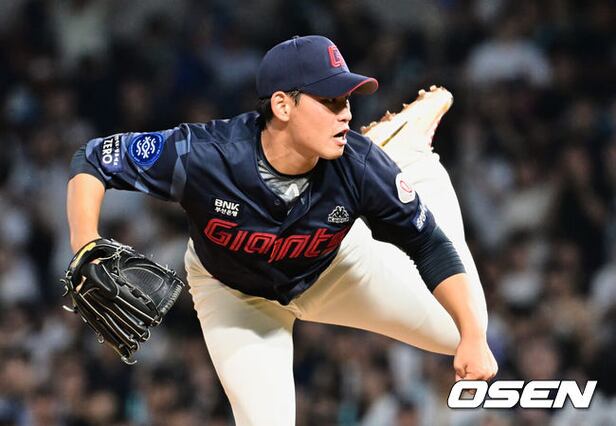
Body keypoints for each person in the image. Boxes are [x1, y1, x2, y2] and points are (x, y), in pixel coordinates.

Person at [67, 35, 497, 425]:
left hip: (336, 270)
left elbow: (429, 244)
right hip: (235, 295)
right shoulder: (204, 155)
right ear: (282, 105)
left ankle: (410, 154)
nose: (347, 114)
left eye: (347, 101)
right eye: (330, 101)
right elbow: (94, 159)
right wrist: (85, 244)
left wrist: (475, 337)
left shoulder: (357, 164)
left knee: (463, 329)